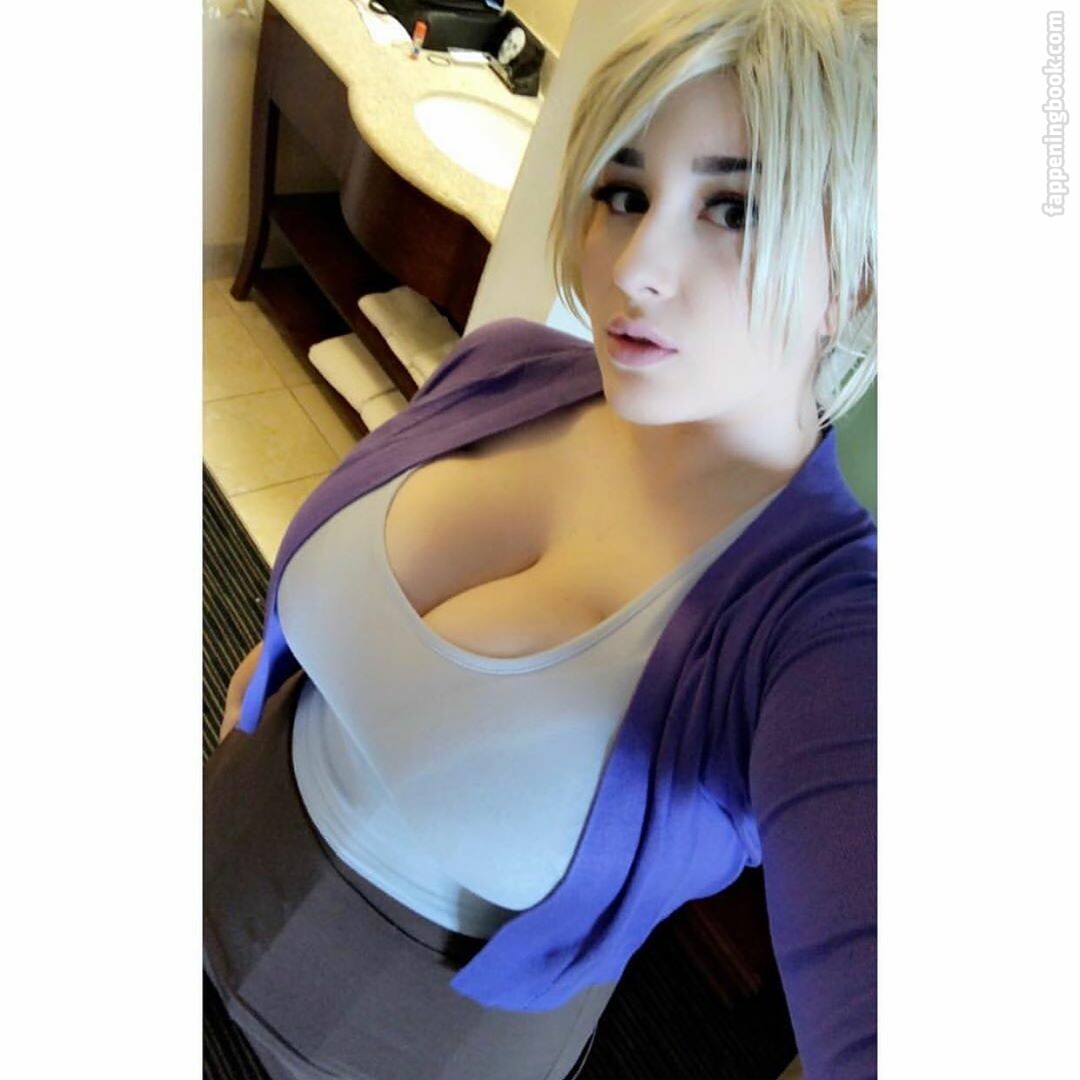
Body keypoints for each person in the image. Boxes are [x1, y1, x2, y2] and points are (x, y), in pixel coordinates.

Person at [204, 0, 878, 1077]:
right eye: (625, 192)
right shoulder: (510, 365)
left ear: (853, 281)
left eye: (735, 209)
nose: (635, 266)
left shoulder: (827, 627)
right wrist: (282, 658)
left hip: (400, 1044)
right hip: (224, 839)